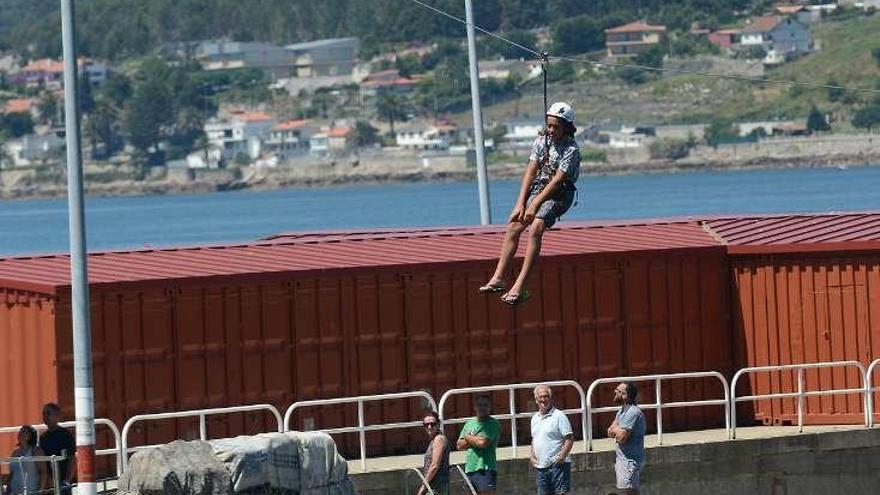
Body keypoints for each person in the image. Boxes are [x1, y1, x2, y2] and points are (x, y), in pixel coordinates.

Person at [479, 101, 581, 305]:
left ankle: (520, 286)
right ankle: (498, 278)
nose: (551, 130)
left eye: (556, 127)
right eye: (549, 125)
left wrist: (535, 206)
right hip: (539, 187)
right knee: (514, 227)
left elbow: (557, 180)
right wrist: (521, 203)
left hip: (559, 193)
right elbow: (530, 172)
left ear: (566, 127)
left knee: (536, 228)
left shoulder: (571, 149)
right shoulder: (541, 141)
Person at [530, 385, 574, 495]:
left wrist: (562, 456)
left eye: (546, 396)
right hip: (541, 466)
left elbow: (569, 438)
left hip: (558, 465)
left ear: (551, 398)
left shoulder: (559, 416)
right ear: (536, 400)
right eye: (540, 397)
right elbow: (534, 439)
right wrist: (532, 456)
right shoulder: (534, 418)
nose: (543, 400)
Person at [456, 395, 501, 494]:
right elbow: (459, 445)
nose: (482, 408)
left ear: (490, 407)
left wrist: (467, 437)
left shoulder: (493, 424)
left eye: (485, 405)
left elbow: (482, 443)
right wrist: (475, 439)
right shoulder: (469, 424)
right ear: (475, 407)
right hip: (470, 469)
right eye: (479, 405)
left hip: (486, 469)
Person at [607, 382, 646, 494]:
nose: (615, 392)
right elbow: (609, 432)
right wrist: (616, 429)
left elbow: (621, 438)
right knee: (629, 491)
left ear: (625, 395)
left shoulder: (632, 412)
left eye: (618, 391)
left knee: (629, 491)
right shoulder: (621, 411)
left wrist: (616, 429)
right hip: (623, 460)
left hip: (630, 462)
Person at [38, 403, 75, 494]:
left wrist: (67, 480)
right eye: (44, 413)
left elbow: (71, 459)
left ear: (57, 415)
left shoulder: (66, 435)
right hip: (48, 482)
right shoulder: (43, 437)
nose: (45, 416)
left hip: (62, 481)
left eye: (48, 413)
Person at [5, 425, 48, 495]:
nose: (21, 433)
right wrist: (7, 490)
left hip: (31, 491)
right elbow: (11, 474)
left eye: (24, 432)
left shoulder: (36, 450)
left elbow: (43, 472)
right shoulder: (15, 452)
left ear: (31, 435)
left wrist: (41, 491)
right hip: (14, 491)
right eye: (20, 431)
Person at [416, 411, 450, 495]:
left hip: (437, 485)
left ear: (438, 424)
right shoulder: (434, 440)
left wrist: (424, 486)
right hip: (434, 484)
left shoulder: (439, 439)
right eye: (426, 425)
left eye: (432, 424)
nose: (429, 427)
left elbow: (435, 465)